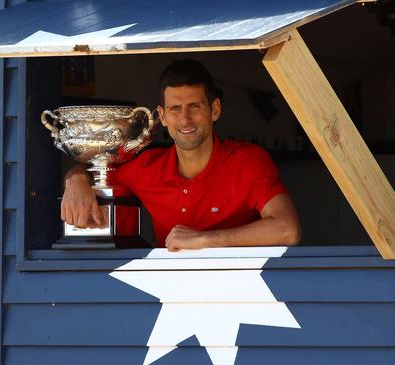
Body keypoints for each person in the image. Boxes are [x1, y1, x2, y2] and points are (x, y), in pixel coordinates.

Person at [61, 59, 301, 251]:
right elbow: (99, 167)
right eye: (175, 109)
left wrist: (204, 241)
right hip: (170, 298)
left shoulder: (247, 162)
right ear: (162, 116)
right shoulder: (147, 167)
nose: (185, 119)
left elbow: (287, 230)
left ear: (214, 110)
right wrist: (75, 179)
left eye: (194, 106)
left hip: (242, 295)